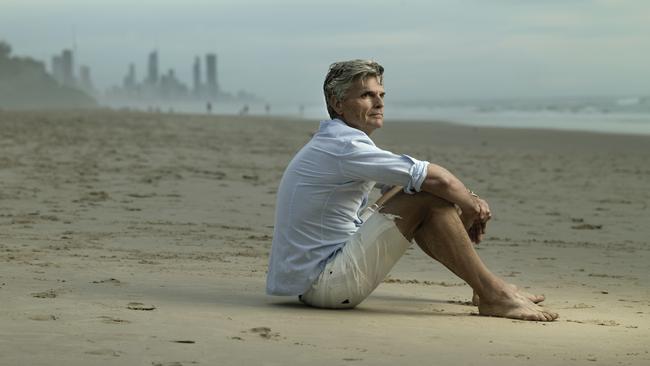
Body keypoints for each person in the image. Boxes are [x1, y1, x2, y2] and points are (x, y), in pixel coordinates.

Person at [266, 59, 558, 321]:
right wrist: (471, 205)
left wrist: (461, 200)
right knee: (427, 194)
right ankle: (494, 294)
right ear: (337, 102)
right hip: (326, 285)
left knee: (414, 190)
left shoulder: (340, 141)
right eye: (367, 95)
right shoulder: (345, 146)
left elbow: (407, 182)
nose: (379, 103)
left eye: (381, 95)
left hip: (314, 281)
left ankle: (486, 288)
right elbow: (437, 180)